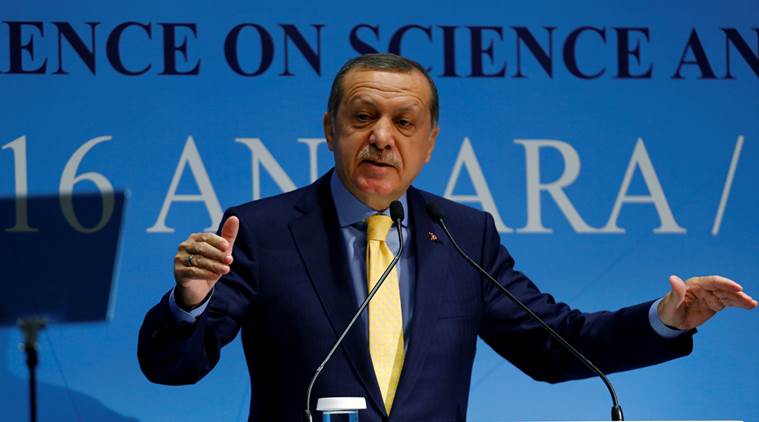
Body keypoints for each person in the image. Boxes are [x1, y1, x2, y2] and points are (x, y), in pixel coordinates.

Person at [138, 53, 756, 421]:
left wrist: (667, 318)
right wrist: (189, 304)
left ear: (430, 142)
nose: (383, 137)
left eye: (404, 122)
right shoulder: (262, 231)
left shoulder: (462, 234)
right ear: (330, 129)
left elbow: (553, 344)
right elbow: (173, 368)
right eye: (363, 117)